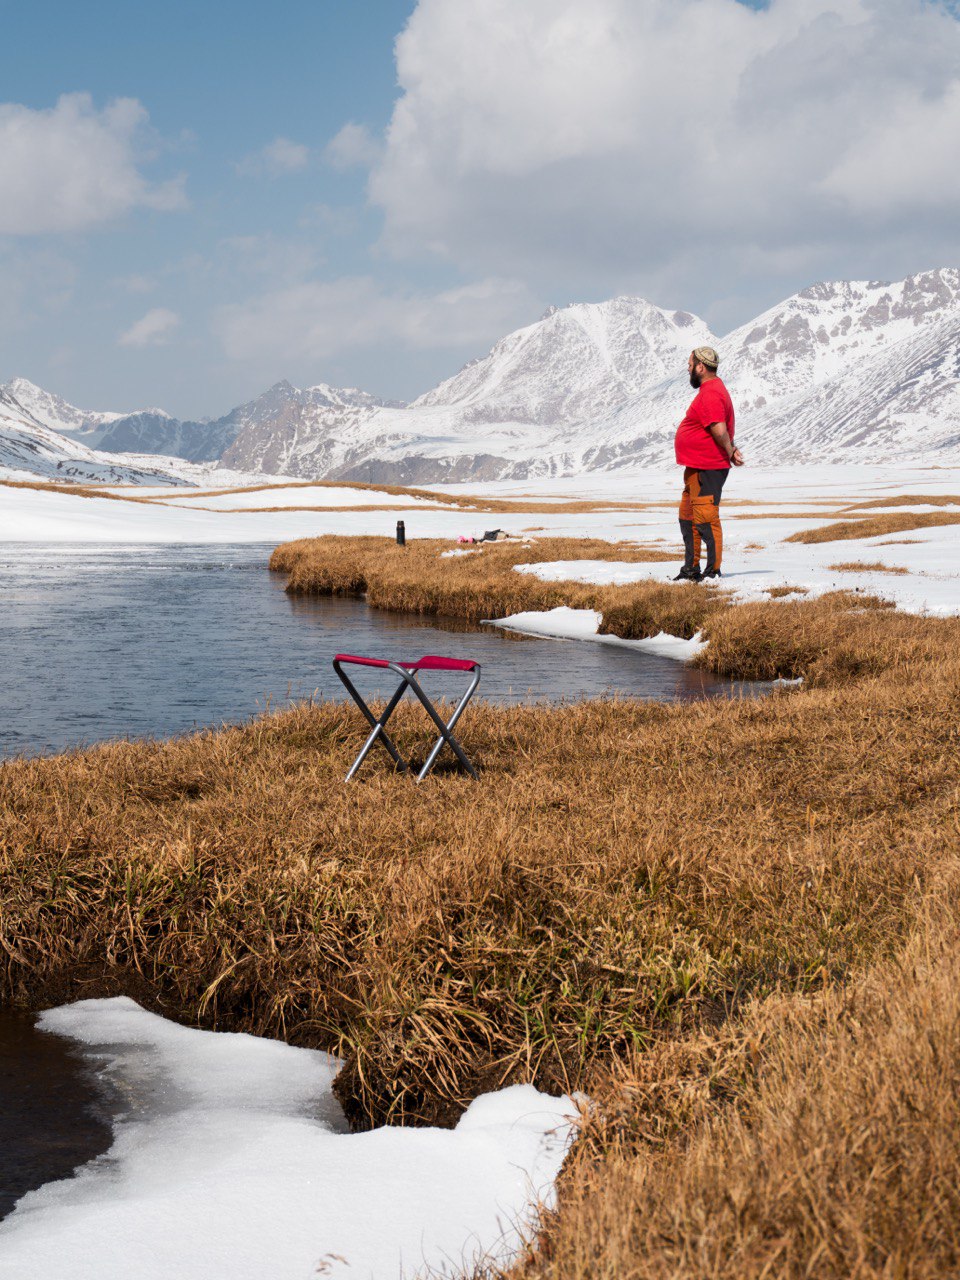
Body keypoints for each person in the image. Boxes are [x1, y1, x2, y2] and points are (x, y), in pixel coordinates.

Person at [672, 345, 743, 581]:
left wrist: (730, 451)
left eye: (690, 365)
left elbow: (719, 428)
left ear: (700, 367)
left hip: (708, 467)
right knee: (688, 517)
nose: (688, 369)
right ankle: (690, 569)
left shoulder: (711, 393)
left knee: (706, 519)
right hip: (696, 466)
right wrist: (731, 449)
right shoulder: (710, 390)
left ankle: (713, 573)